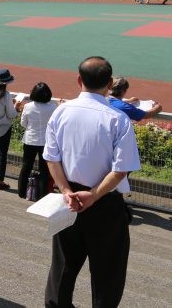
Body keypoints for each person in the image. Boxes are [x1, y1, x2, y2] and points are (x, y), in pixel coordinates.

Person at [43, 56, 141, 308]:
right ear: (109, 84)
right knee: (107, 272)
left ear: (79, 80)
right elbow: (120, 170)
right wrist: (94, 195)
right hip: (105, 203)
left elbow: (52, 159)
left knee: (63, 266)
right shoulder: (118, 119)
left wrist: (66, 191)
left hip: (69, 201)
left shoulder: (61, 112)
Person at [17, 82, 57, 199]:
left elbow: (23, 124)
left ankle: (21, 192)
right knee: (44, 169)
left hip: (30, 140)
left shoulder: (28, 106)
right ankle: (43, 194)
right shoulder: (53, 107)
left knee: (26, 166)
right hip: (45, 142)